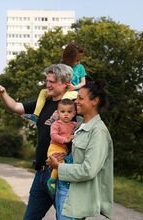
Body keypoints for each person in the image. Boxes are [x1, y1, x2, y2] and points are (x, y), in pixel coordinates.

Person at [0, 63, 73, 220]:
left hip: (59, 175)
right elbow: (15, 107)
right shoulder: (43, 104)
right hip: (40, 174)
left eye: (52, 82)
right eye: (47, 81)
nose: (47, 85)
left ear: (65, 83)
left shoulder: (72, 108)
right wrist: (3, 93)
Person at [46, 80, 113, 220]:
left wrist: (59, 167)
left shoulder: (98, 132)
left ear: (95, 101)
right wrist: (54, 159)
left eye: (80, 98)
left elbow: (89, 170)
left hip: (74, 195)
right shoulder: (78, 125)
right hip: (64, 187)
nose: (76, 102)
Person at [22, 42, 87, 125]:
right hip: (62, 90)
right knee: (42, 92)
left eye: (79, 60)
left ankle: (56, 115)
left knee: (65, 97)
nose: (78, 62)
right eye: (76, 60)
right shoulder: (59, 66)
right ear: (69, 58)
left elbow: (83, 83)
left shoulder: (80, 67)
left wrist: (74, 87)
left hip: (73, 92)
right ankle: (36, 115)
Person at [46, 99, 77, 195]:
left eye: (69, 112)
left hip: (64, 150)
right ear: (58, 113)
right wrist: (65, 140)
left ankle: (60, 184)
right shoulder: (56, 124)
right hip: (54, 147)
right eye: (63, 112)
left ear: (74, 113)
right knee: (60, 163)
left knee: (66, 163)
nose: (66, 114)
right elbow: (53, 136)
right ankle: (51, 180)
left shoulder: (74, 124)